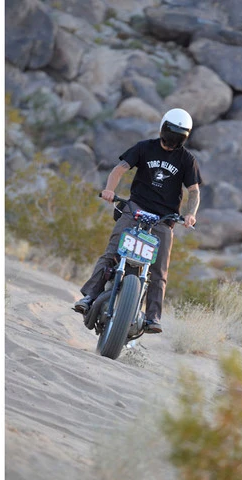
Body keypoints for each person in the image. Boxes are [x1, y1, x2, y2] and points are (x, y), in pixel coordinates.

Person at [74, 108, 202, 333]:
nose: (172, 141)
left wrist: (190, 214)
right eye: (171, 133)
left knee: (159, 270)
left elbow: (194, 191)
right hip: (135, 209)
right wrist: (109, 190)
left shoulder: (187, 160)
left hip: (164, 219)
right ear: (163, 129)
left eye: (178, 136)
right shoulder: (144, 147)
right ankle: (90, 297)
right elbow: (119, 169)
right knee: (112, 253)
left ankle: (152, 317)